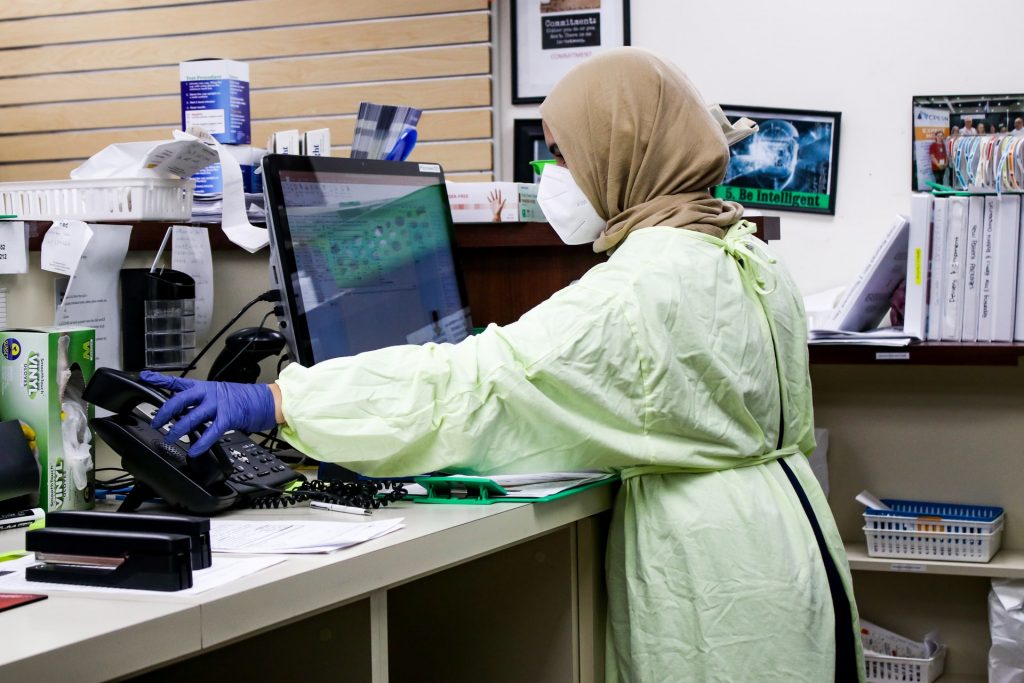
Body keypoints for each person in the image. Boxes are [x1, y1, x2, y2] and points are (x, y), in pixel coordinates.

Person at [143, 48, 863, 682]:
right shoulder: (743, 251)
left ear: (624, 154)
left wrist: (278, 403)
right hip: (790, 549)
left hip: (716, 580)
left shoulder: (642, 285)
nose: (556, 175)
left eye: (566, 155)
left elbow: (473, 389)